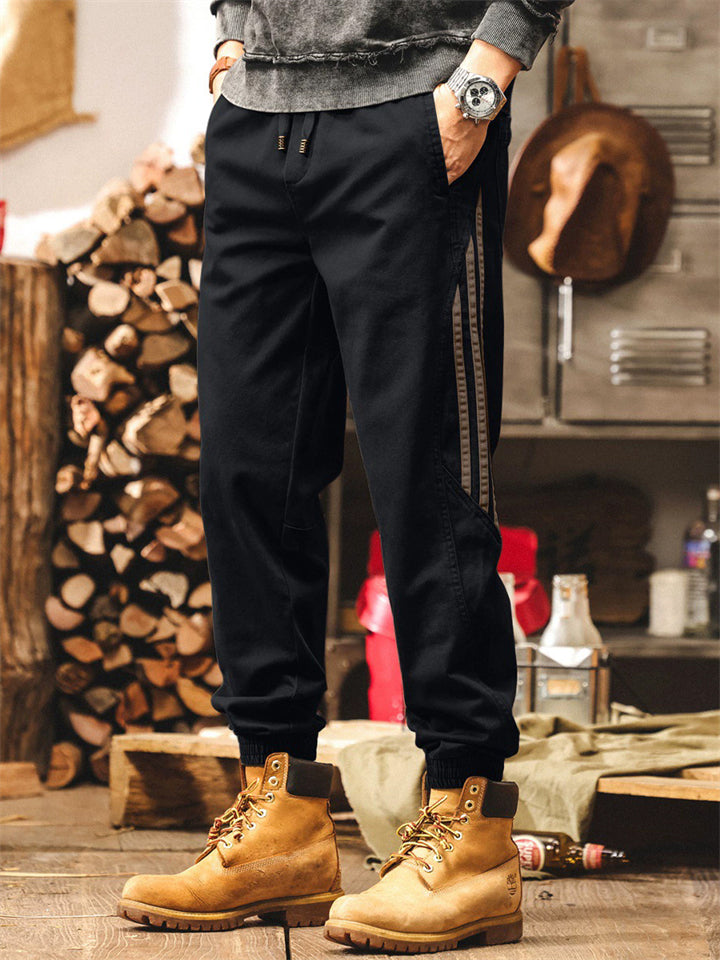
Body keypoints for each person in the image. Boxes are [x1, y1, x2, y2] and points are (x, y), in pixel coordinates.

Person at [118, 0, 573, 951]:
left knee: (427, 481)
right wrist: (233, 32)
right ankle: (279, 814)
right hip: (258, 121)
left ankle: (469, 829)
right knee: (248, 477)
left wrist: (485, 75)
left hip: (416, 113)